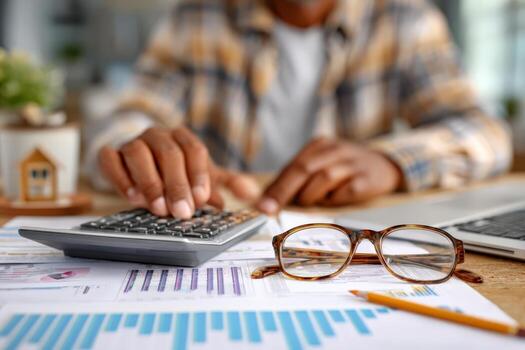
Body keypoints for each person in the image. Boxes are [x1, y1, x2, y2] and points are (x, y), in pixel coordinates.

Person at [88, 0, 512, 219]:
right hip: (217, 226)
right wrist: (138, 150)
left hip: (343, 245)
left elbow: (487, 132)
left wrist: (391, 162)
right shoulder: (195, 17)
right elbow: (123, 122)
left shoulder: (408, 18)